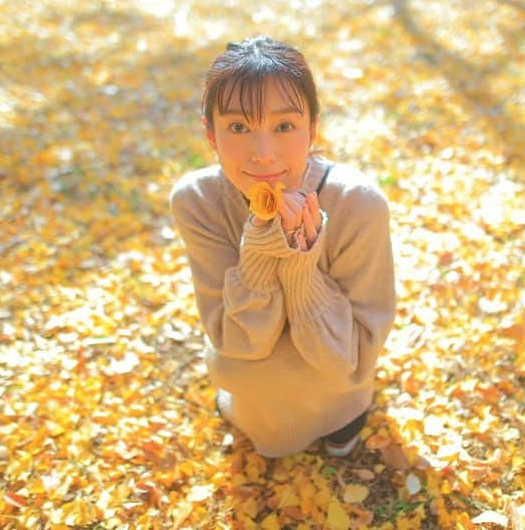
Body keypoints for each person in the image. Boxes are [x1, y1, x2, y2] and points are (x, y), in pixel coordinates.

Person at [170, 36, 396, 458]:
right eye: (238, 127)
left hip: (335, 377)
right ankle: (257, 418)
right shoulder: (196, 200)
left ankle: (343, 420)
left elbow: (353, 355)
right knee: (247, 374)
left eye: (284, 126)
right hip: (249, 382)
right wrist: (258, 249)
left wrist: (300, 265)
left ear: (312, 129)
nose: (263, 154)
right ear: (211, 135)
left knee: (337, 405)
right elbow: (236, 342)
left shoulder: (358, 204)